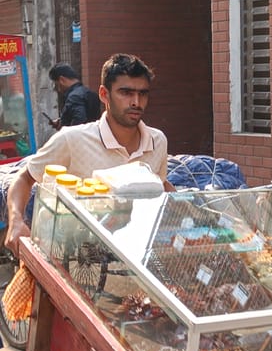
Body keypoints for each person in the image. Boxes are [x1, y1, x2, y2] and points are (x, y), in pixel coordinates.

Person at [5, 53, 173, 257]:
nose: (136, 102)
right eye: (126, 92)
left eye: (143, 94)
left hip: (137, 257)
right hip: (74, 258)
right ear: (104, 94)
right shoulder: (71, 139)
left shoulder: (158, 141)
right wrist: (16, 221)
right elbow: (24, 178)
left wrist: (196, 208)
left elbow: (161, 184)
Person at [47, 62, 102, 129]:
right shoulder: (90, 93)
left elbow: (79, 120)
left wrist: (66, 130)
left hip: (79, 138)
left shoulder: (74, 97)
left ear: (62, 80)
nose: (57, 89)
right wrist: (61, 121)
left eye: (56, 84)